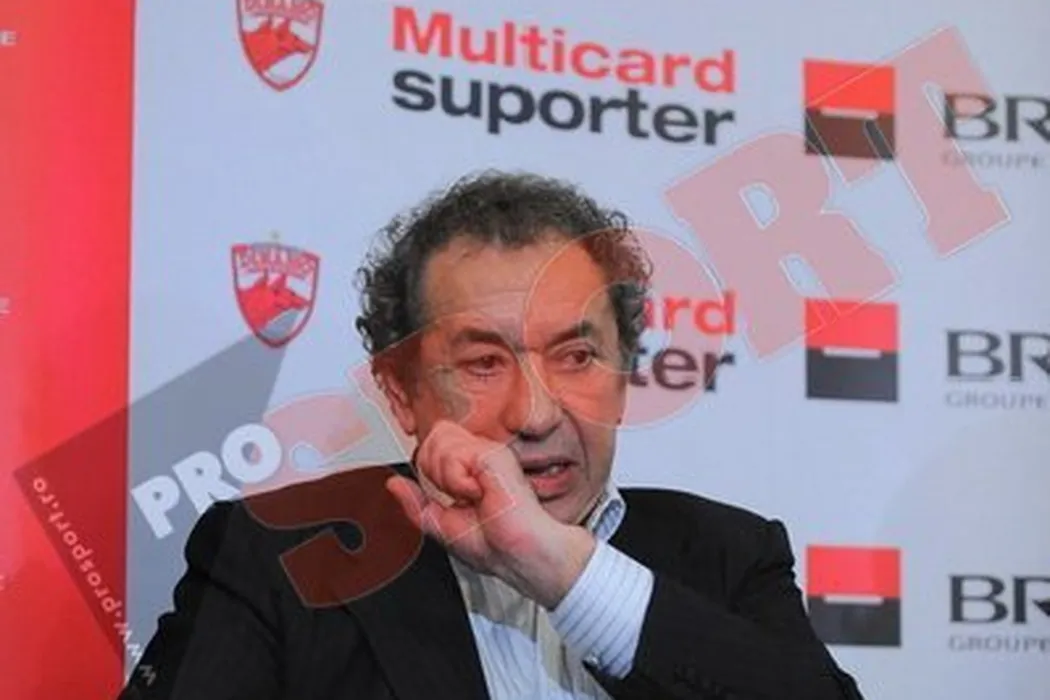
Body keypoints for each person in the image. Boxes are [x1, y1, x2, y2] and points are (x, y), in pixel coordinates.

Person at [120, 171, 865, 699]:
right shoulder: (277, 558)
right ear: (401, 393)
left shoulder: (728, 555)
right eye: (483, 363)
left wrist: (568, 575)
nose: (536, 414)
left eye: (577, 357)